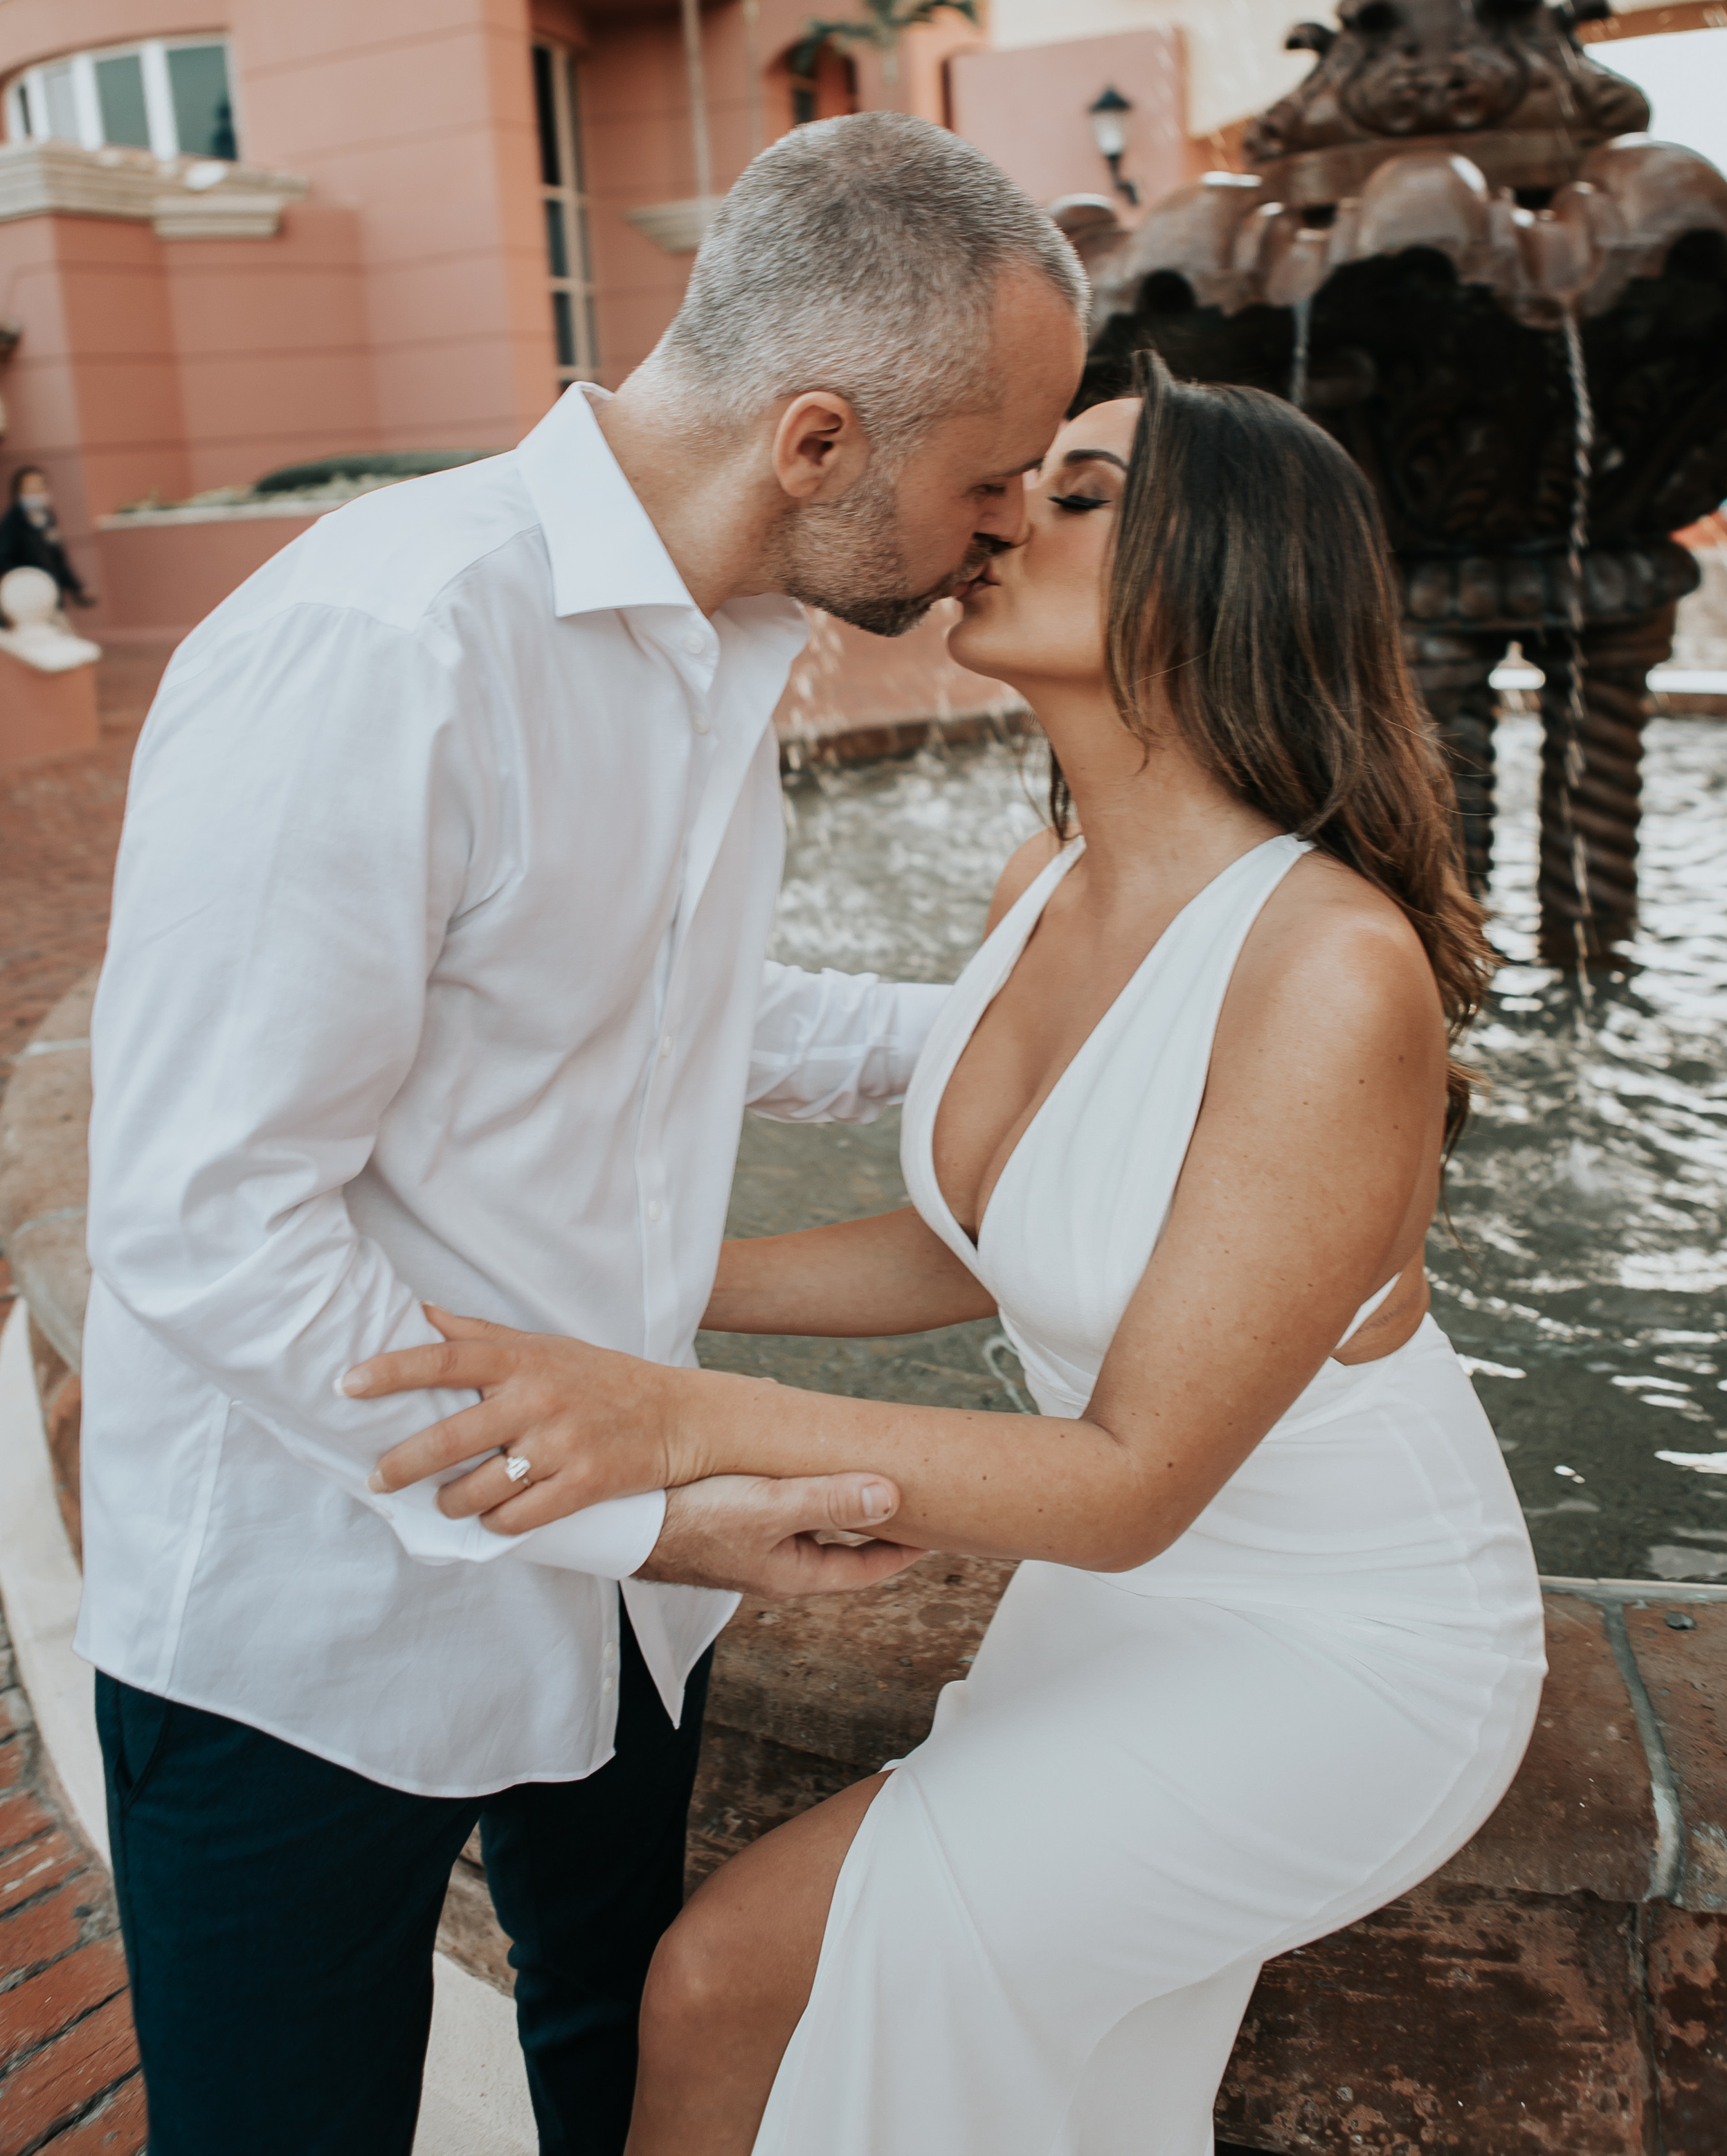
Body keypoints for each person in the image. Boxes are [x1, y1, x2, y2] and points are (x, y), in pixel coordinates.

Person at [354, 354, 1548, 2156]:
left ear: (1220, 577)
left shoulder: (1330, 971)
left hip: (1339, 1641)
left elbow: (1135, 1475)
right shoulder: (1041, 882)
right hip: (1125, 1602)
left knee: (723, 1982)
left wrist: (675, 1418)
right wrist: (609, 1282)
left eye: (1079, 498)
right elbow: (963, 1250)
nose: (1003, 520)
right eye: (1020, 482)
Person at [78, 113, 1088, 2156]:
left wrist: (1060, 1025)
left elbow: (680, 1017)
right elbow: (203, 1218)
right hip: (317, 1620)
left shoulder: (730, 637)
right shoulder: (383, 646)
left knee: (627, 2082)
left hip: (620, 1600)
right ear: (814, 441)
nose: (1000, 528)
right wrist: (641, 1509)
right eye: (986, 475)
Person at [0, 463, 94, 608]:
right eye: (30, 488)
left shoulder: (47, 518)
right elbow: (5, 560)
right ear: (19, 491)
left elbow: (58, 558)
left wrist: (77, 588)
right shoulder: (12, 523)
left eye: (40, 487)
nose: (36, 492)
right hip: (29, 598)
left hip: (52, 595)